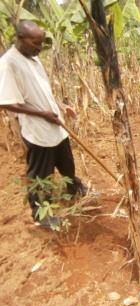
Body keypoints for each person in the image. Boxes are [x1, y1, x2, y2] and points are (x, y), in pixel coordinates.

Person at [0, 21, 84, 227]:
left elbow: (43, 91)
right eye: (35, 42)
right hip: (38, 131)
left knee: (67, 165)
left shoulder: (33, 59)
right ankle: (41, 214)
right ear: (20, 39)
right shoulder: (8, 63)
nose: (39, 47)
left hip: (56, 125)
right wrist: (43, 114)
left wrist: (61, 106)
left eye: (41, 43)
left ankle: (75, 189)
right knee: (40, 175)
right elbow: (7, 102)